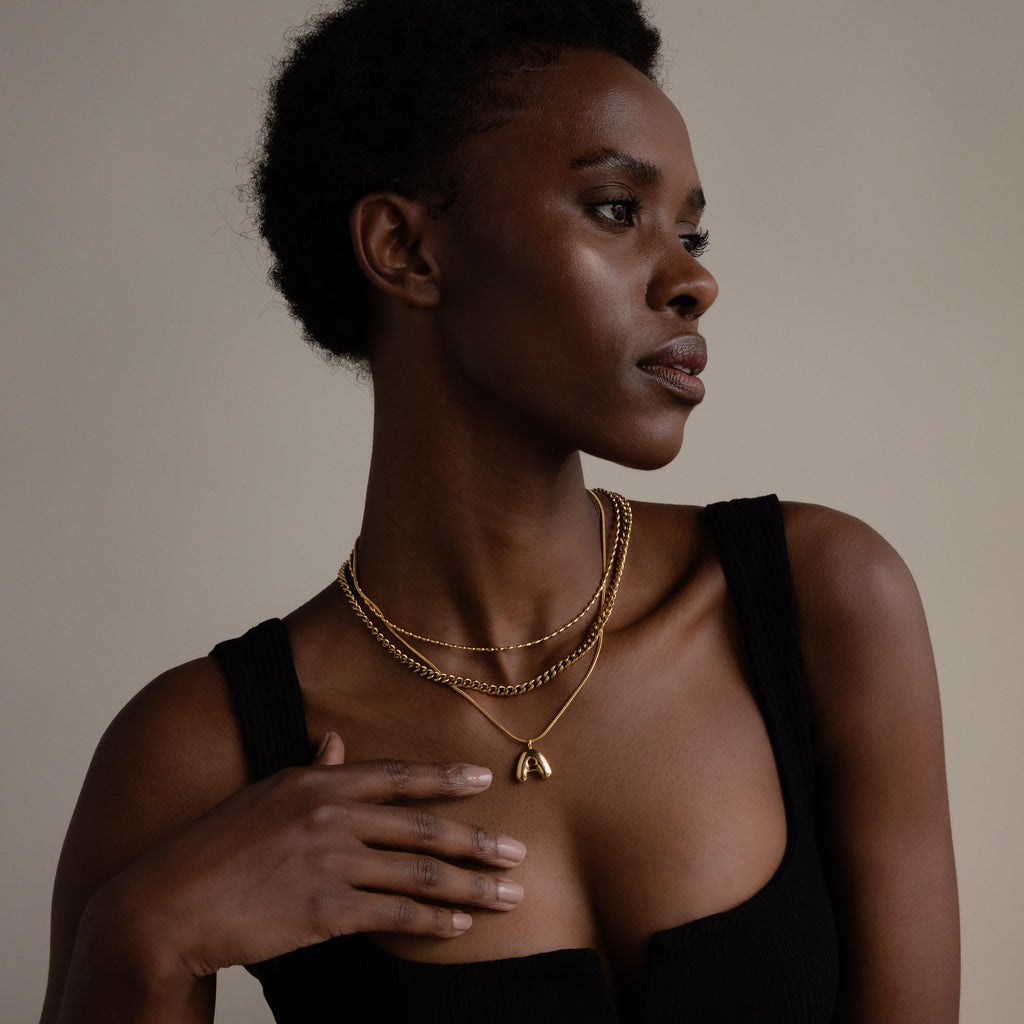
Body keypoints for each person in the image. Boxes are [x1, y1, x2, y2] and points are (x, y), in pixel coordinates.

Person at [40, 1, 960, 1021]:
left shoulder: (821, 602)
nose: (694, 278)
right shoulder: (197, 751)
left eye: (691, 231)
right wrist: (149, 934)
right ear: (407, 249)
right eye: (617, 208)